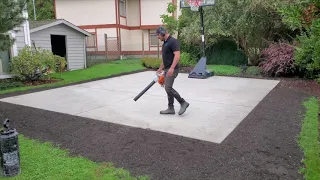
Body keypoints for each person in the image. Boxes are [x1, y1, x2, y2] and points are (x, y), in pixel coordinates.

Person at [155, 26, 189, 115]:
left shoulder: (173, 41)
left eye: (158, 35)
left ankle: (183, 103)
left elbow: (177, 55)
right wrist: (160, 68)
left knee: (168, 88)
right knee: (167, 88)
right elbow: (164, 58)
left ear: (163, 33)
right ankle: (171, 108)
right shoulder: (165, 43)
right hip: (167, 69)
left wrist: (172, 68)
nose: (157, 37)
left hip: (172, 69)